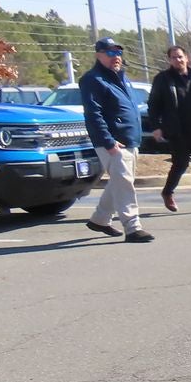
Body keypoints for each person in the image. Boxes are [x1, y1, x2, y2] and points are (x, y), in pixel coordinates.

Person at [79, 37, 154, 243]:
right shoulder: (92, 79)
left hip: (130, 139)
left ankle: (100, 219)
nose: (116, 57)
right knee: (125, 183)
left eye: (118, 53)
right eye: (110, 53)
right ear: (98, 55)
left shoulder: (121, 77)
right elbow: (94, 114)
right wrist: (108, 140)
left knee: (119, 182)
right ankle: (133, 227)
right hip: (112, 142)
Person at [148, 44, 191, 214]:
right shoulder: (163, 79)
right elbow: (153, 105)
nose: (177, 60)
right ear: (169, 60)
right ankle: (167, 193)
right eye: (173, 57)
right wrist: (156, 127)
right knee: (180, 164)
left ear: (186, 58)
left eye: (180, 56)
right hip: (177, 130)